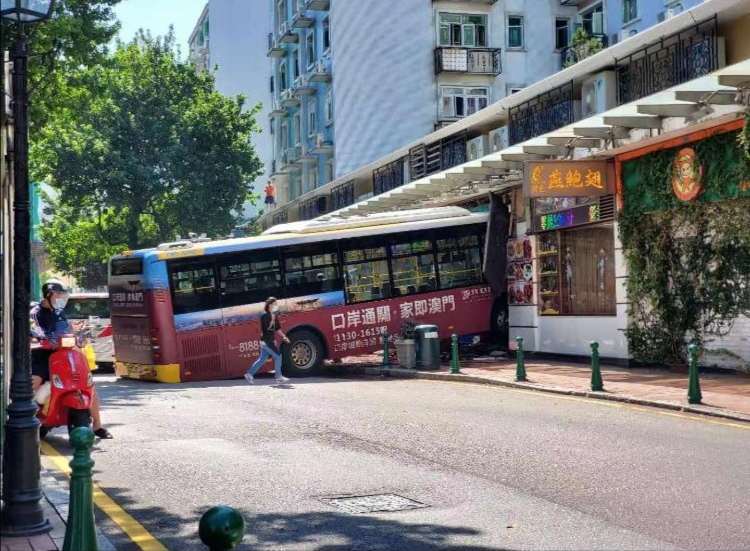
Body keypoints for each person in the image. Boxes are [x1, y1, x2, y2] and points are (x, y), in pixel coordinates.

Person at [31, 279, 113, 439]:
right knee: (35, 381)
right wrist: (43, 339)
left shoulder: (59, 312)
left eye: (63, 295)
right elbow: (35, 330)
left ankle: (97, 425)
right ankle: (29, 420)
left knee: (88, 386)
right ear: (48, 295)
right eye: (58, 295)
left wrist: (77, 334)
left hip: (63, 355)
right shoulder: (35, 312)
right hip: (42, 356)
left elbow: (66, 330)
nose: (61, 298)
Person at [244, 297, 290, 384]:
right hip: (266, 340)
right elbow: (266, 329)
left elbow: (277, 329)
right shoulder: (264, 316)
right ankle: (278, 377)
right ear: (269, 305)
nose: (276, 306)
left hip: (269, 340)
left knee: (262, 359)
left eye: (277, 304)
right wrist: (272, 319)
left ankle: (249, 374)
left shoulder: (274, 315)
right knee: (278, 356)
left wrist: (284, 336)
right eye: (275, 304)